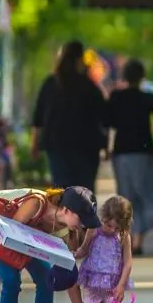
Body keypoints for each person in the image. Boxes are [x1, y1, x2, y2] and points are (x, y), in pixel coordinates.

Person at [105, 58, 153, 256]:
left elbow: (108, 122)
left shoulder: (116, 97)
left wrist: (105, 148)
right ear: (142, 76)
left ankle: (129, 240)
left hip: (122, 151)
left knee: (126, 196)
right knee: (143, 194)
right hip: (143, 151)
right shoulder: (148, 98)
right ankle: (139, 239)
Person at [31, 40, 107, 190]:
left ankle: (63, 213)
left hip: (57, 146)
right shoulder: (89, 87)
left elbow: (38, 117)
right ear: (80, 59)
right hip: (86, 147)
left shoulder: (51, 84)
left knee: (61, 189)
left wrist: (35, 144)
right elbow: (104, 117)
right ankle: (83, 213)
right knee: (85, 192)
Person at [74, 195, 135, 303]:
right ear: (103, 217)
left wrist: (122, 285)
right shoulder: (94, 229)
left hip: (113, 284)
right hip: (92, 280)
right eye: (108, 225)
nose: (110, 229)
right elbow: (85, 249)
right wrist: (76, 253)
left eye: (116, 228)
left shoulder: (123, 236)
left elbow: (128, 262)